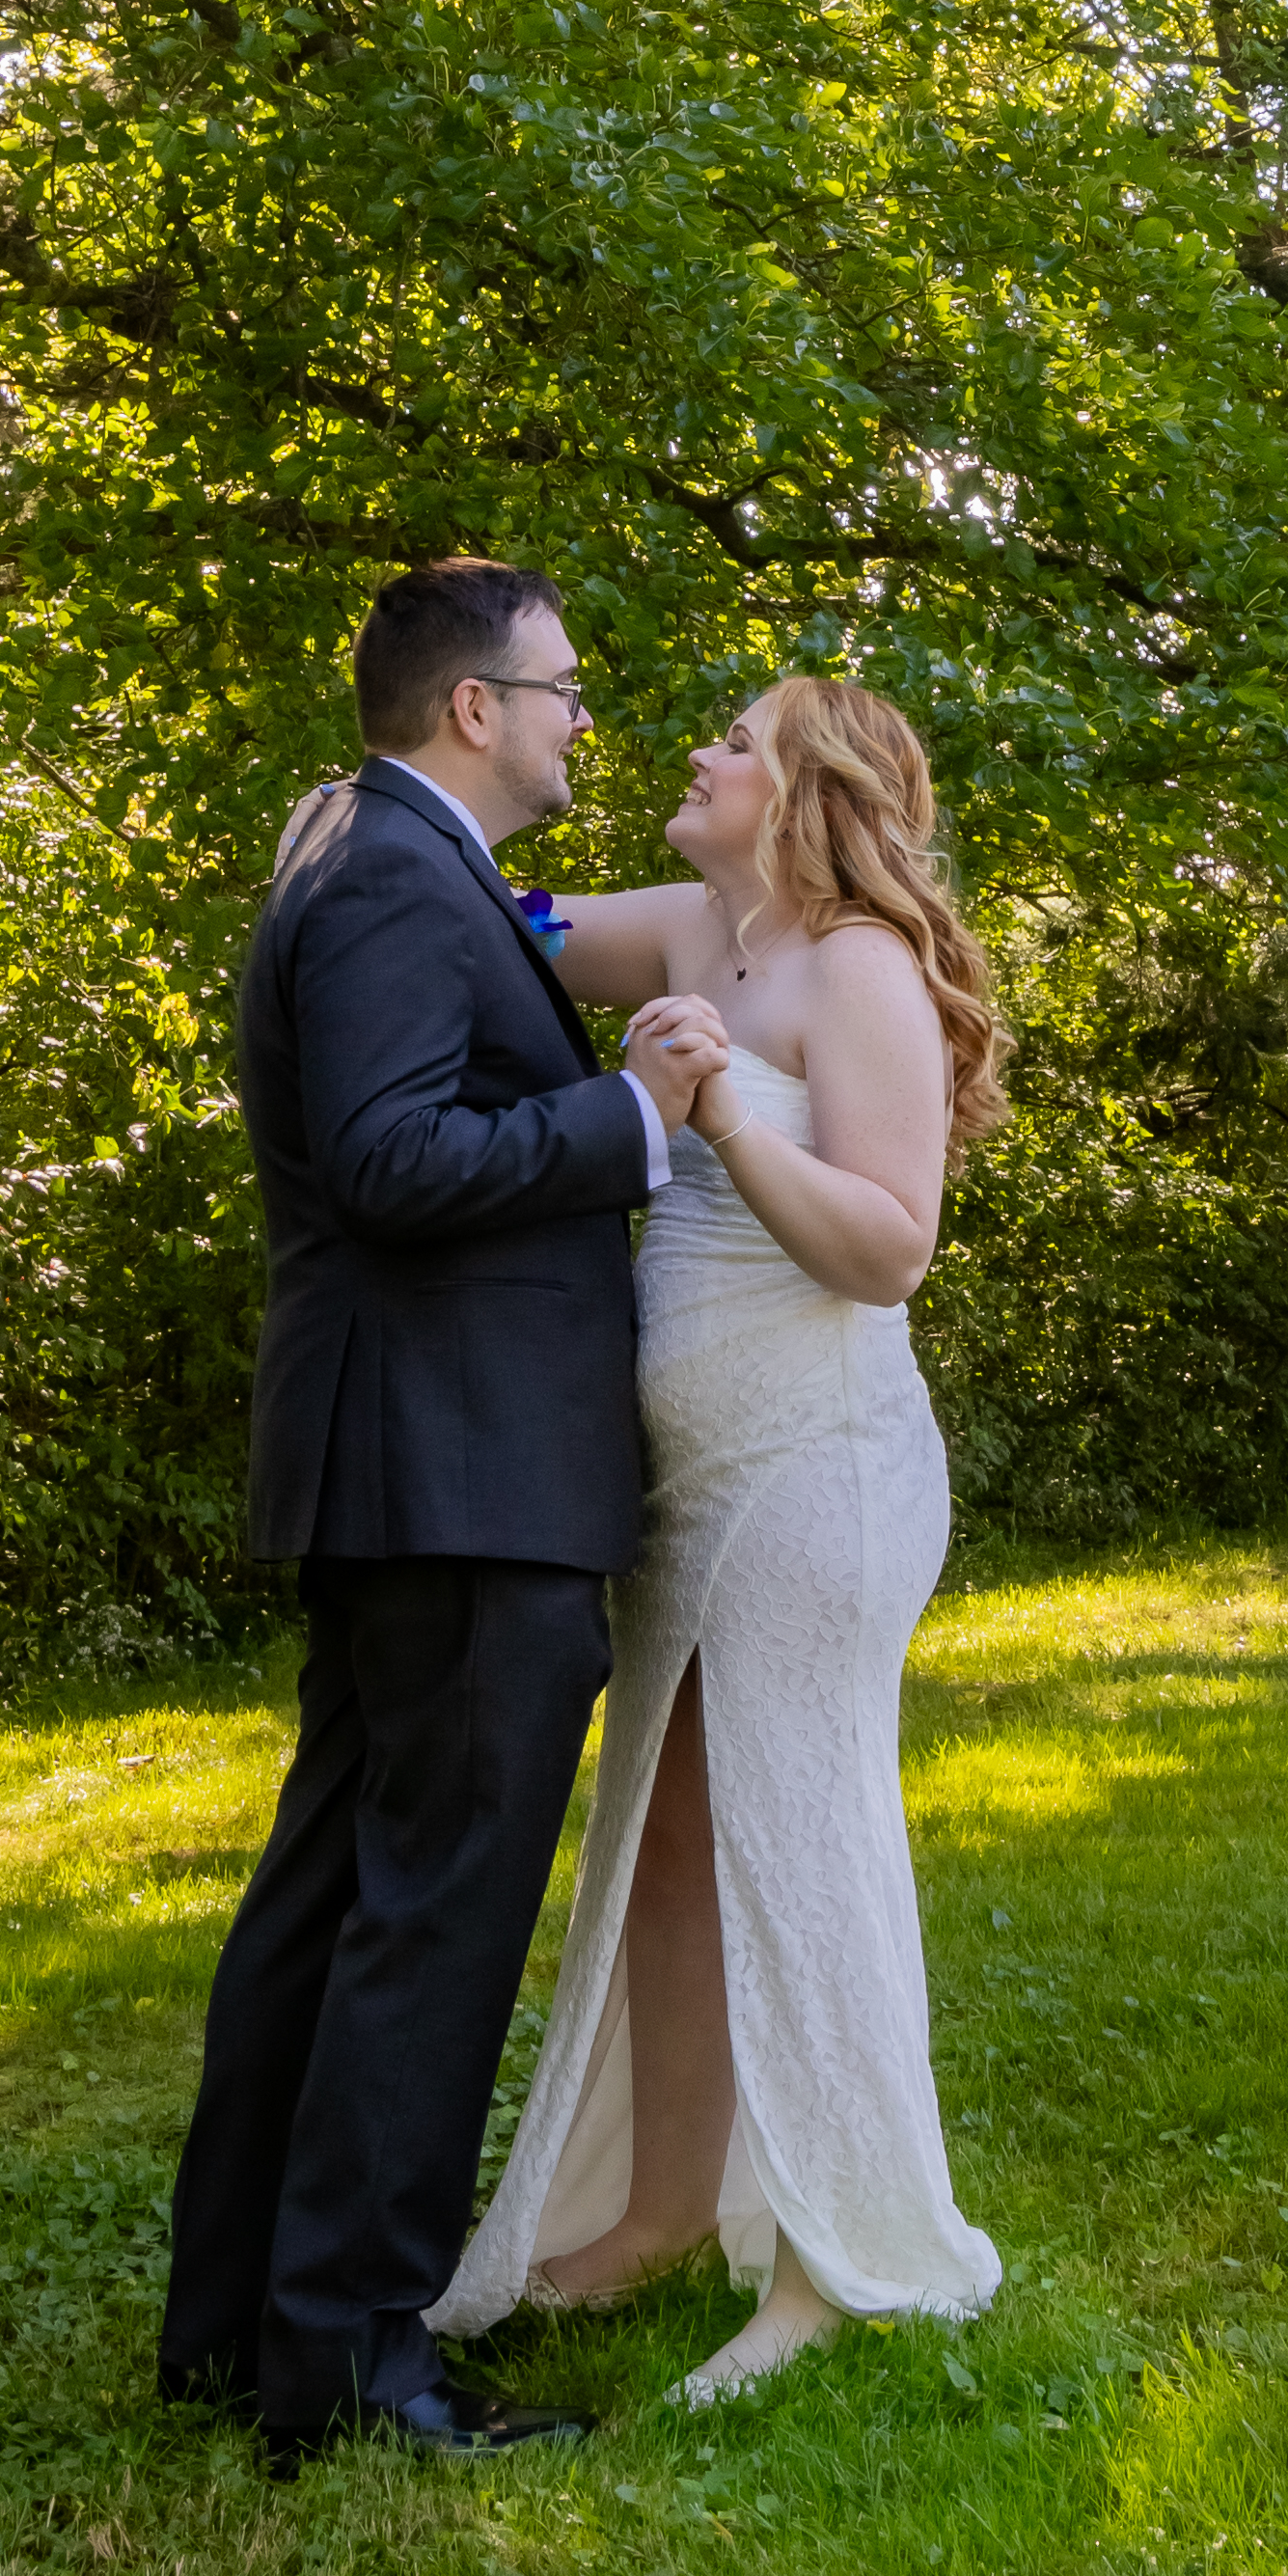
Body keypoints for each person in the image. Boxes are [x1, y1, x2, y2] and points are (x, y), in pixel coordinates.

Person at [156, 555, 676, 2475]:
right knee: (426, 1916)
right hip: (456, 1471)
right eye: (559, 688)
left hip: (419, 1460)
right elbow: (387, 1156)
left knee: (334, 1899)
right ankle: (360, 2364)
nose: (573, 720)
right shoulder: (388, 870)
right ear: (475, 704)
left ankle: (243, 2324)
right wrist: (632, 1123)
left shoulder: (382, 855)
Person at [432, 671, 1003, 2405]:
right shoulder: (692, 927)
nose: (695, 752)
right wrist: (396, 798)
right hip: (681, 1496)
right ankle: (660, 2210)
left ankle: (837, 2264)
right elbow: (495, 907)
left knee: (796, 1836)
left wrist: (729, 1112)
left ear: (807, 787)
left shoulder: (859, 971)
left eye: (735, 740)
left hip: (815, 1471)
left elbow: (889, 1248)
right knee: (668, 1851)